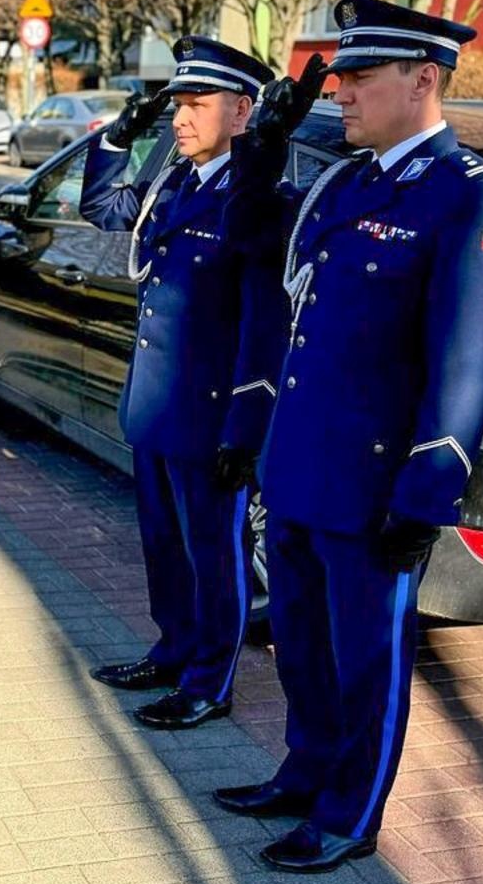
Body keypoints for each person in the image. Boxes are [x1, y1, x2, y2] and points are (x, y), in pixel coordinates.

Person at [214, 0, 483, 873]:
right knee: (305, 649)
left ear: (422, 78)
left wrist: (428, 491)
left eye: (358, 76)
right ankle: (305, 773)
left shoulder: (470, 199)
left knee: (368, 662)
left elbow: (467, 361)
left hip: (377, 485)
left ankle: (352, 814)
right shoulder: (345, 182)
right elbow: (247, 245)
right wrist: (260, 150)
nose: (339, 93)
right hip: (304, 467)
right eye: (340, 76)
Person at [79, 37, 323, 729]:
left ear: (243, 112)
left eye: (195, 105)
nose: (179, 119)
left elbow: (262, 326)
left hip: (210, 416)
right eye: (176, 105)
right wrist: (115, 139)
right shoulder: (178, 183)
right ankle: (174, 647)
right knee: (163, 546)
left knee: (213, 555)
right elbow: (103, 211)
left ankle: (210, 679)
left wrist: (245, 429)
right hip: (157, 408)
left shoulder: (260, 204)